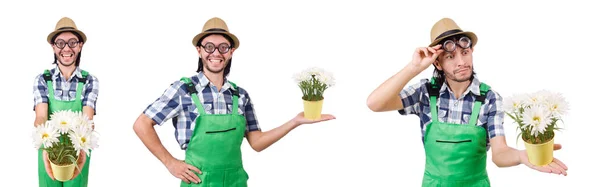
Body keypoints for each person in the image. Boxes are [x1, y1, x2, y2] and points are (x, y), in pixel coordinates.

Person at [132, 17, 336, 187]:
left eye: (223, 47)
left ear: (231, 52)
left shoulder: (241, 95)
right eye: (209, 47)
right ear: (199, 50)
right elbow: (142, 124)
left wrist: (295, 122)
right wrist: (170, 163)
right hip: (198, 181)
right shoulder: (183, 89)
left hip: (235, 181)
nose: (216, 53)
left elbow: (256, 143)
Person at [366, 17, 568, 186]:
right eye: (450, 57)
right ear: (437, 62)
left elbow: (500, 154)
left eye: (465, 53)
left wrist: (522, 156)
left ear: (471, 51)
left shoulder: (490, 98)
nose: (461, 62)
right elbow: (375, 103)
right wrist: (414, 67)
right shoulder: (425, 93)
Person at [33, 17, 99, 187]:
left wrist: (82, 148)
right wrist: (45, 144)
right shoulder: (42, 79)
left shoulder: (89, 81)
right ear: (53, 47)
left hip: (78, 148)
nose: (67, 48)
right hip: (49, 148)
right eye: (61, 43)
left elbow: (87, 120)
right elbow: (41, 117)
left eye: (72, 42)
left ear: (80, 46)